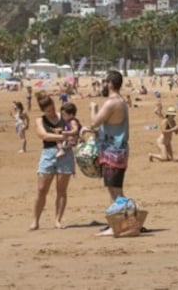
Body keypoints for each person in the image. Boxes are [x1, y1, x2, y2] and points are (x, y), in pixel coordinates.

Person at [84, 70, 130, 236]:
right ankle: (117, 222)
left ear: (110, 83)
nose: (103, 85)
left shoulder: (112, 102)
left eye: (105, 82)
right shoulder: (121, 101)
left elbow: (95, 122)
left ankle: (121, 223)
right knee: (113, 188)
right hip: (116, 150)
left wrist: (93, 108)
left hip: (113, 152)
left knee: (115, 190)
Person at [29, 92, 76, 231]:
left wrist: (71, 136)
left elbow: (75, 127)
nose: (51, 112)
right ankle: (35, 221)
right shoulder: (40, 120)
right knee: (41, 189)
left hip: (66, 154)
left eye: (52, 108)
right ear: (43, 110)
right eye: (47, 110)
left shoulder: (63, 115)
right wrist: (63, 136)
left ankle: (58, 220)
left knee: (61, 190)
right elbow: (43, 135)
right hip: (48, 154)